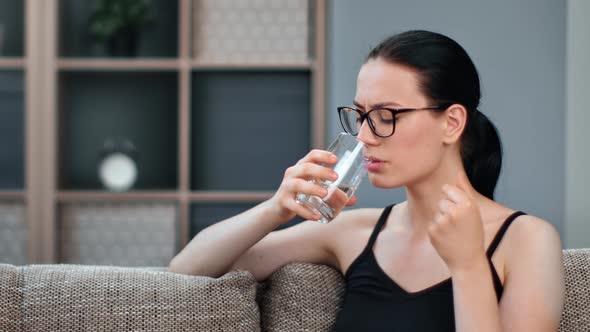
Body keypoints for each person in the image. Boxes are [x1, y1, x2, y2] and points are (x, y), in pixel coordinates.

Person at [169, 30, 565, 331]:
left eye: (387, 115)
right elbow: (187, 271)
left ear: (452, 122)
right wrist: (275, 209)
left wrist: (468, 267)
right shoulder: (353, 231)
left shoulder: (527, 239)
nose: (364, 136)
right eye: (361, 114)